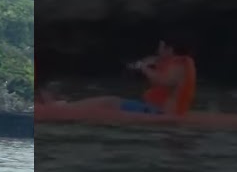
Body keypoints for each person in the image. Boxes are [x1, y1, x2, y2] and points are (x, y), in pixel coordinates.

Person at [41, 38, 197, 116]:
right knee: (109, 101)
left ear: (169, 49)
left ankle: (64, 108)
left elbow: (164, 81)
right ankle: (66, 106)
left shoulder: (179, 65)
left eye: (161, 46)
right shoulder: (174, 63)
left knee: (109, 101)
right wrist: (149, 64)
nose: (158, 50)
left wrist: (144, 68)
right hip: (156, 109)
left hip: (160, 113)